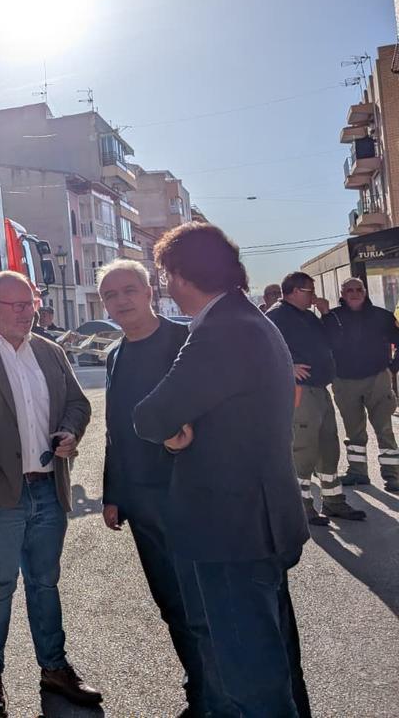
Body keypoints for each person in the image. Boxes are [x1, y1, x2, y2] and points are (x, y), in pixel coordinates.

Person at [134, 223, 310, 718]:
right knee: (274, 665)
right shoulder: (248, 319)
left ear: (179, 275)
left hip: (231, 532)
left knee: (251, 680)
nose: (165, 285)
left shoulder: (221, 331)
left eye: (163, 274)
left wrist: (170, 428)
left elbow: (150, 416)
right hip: (259, 522)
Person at [0, 270, 99, 716]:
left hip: (48, 488)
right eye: (17, 306)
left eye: (30, 305)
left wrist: (70, 432)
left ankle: (53, 668)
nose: (27, 314)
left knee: (45, 582)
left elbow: (78, 404)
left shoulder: (50, 351)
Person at [98, 259, 227, 717]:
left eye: (128, 290)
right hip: (140, 501)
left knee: (202, 606)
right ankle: (199, 688)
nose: (120, 301)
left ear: (150, 290)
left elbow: (213, 417)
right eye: (110, 295)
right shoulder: (115, 355)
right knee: (171, 604)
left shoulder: (184, 341)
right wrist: (113, 493)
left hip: (187, 495)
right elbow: (115, 430)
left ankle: (218, 698)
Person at [266, 273, 367, 524]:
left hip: (320, 388)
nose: (314, 295)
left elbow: (334, 341)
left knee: (328, 446)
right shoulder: (276, 316)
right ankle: (302, 507)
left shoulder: (308, 316)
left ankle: (333, 502)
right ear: (293, 291)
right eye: (309, 291)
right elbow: (256, 351)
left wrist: (327, 314)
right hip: (300, 391)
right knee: (304, 449)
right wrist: (288, 366)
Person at [323, 277, 399, 493]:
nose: (355, 293)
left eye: (359, 289)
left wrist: (392, 368)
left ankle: (393, 476)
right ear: (342, 294)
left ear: (365, 292)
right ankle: (357, 472)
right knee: (353, 432)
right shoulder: (332, 317)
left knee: (384, 429)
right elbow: (324, 345)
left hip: (377, 379)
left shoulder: (382, 316)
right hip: (345, 381)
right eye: (350, 290)